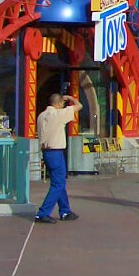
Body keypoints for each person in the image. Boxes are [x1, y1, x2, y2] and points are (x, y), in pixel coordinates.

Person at [34, 93, 83, 224]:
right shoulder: (58, 114)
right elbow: (79, 106)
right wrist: (71, 98)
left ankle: (65, 210)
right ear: (59, 103)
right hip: (56, 152)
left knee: (58, 181)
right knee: (58, 183)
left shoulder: (41, 116)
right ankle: (43, 212)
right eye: (62, 103)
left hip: (46, 151)